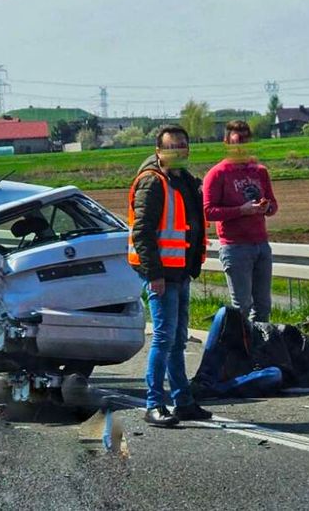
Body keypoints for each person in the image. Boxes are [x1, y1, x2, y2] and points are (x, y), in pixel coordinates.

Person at [128, 125, 213, 427]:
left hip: (180, 271)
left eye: (182, 146)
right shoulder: (153, 183)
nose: (177, 151)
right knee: (164, 339)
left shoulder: (184, 181)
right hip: (161, 273)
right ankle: (154, 404)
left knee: (177, 339)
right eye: (171, 146)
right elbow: (143, 233)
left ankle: (183, 401)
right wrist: (154, 275)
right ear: (158, 151)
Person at [203, 120, 279, 324]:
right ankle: (238, 350)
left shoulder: (259, 171)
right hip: (235, 247)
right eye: (237, 141)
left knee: (263, 306)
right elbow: (208, 211)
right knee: (242, 306)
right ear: (226, 142)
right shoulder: (217, 174)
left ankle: (259, 348)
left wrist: (266, 207)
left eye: (246, 141)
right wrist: (241, 211)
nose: (241, 147)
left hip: (260, 244)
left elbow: (273, 204)